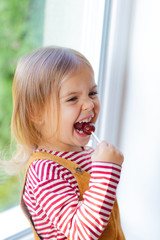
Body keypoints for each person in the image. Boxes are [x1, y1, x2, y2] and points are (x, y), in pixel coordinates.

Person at [11, 47, 125, 240]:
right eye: (72, 98)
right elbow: (81, 231)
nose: (89, 104)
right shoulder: (44, 171)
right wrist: (106, 171)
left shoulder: (84, 153)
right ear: (36, 112)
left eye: (92, 92)